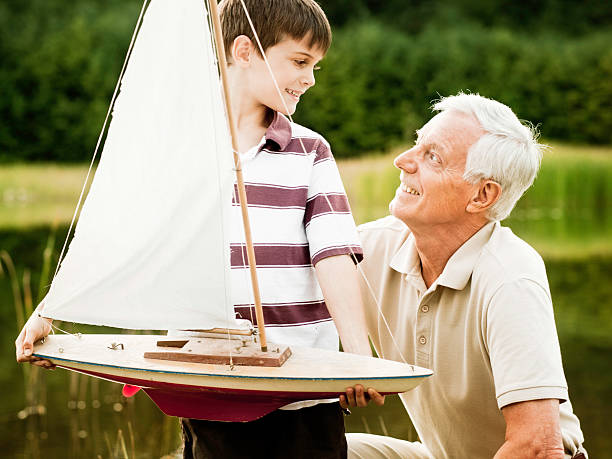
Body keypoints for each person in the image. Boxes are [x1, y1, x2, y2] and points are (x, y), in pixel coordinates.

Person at [16, 1, 370, 458]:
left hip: (303, 394)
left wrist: (359, 355)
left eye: (315, 66)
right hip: (212, 385)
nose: (310, 78)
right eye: (300, 62)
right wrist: (53, 307)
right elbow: (121, 238)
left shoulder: (309, 151)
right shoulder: (181, 154)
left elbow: (334, 256)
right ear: (244, 51)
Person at [341, 93, 587, 458]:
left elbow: (537, 445)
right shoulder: (368, 247)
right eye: (416, 144)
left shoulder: (511, 278)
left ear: (482, 195)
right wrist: (345, 366)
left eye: (432, 157)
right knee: (305, 449)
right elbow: (283, 309)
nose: (403, 161)